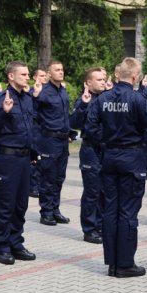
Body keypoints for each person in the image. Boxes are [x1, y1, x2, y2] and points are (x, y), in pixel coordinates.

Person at [85, 57, 147, 278]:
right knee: (128, 212)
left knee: (110, 211)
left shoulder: (102, 99)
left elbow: (90, 130)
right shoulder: (137, 99)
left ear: (116, 75)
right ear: (135, 77)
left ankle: (111, 262)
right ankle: (125, 264)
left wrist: (107, 141)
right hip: (132, 158)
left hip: (109, 157)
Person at [0, 60, 37, 265]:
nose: (28, 78)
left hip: (24, 159)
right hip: (6, 160)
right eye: (24, 75)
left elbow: (29, 129)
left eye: (28, 74)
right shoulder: (1, 98)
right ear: (11, 76)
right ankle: (2, 247)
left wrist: (33, 153)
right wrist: (4, 112)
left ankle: (16, 243)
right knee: (4, 206)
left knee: (20, 205)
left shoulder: (27, 99)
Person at [69, 67, 107, 244]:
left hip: (106, 150)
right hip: (90, 150)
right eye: (99, 79)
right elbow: (73, 123)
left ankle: (101, 225)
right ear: (88, 83)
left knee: (104, 190)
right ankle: (89, 229)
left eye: (104, 79)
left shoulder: (108, 98)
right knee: (92, 191)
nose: (102, 81)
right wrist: (83, 105)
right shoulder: (84, 100)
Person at [33, 60, 71, 226]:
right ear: (49, 74)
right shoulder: (43, 92)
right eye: (57, 70)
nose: (61, 72)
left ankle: (55, 210)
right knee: (48, 177)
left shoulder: (63, 91)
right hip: (48, 140)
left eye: (62, 69)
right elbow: (34, 116)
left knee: (59, 178)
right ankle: (46, 212)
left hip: (63, 141)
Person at [29, 69, 48, 198]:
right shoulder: (31, 92)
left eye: (45, 75)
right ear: (35, 77)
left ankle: (41, 185)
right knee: (35, 159)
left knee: (44, 160)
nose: (44, 78)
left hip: (45, 130)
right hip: (35, 128)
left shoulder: (48, 92)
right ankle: (33, 187)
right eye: (41, 76)